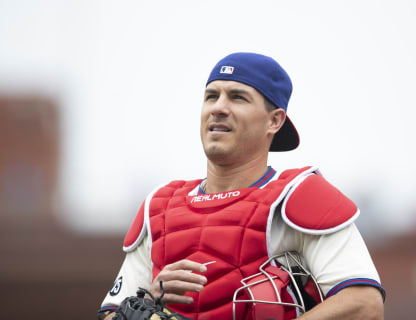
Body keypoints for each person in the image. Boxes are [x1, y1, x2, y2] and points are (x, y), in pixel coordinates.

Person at [98, 52, 385, 320]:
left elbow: (364, 305)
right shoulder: (159, 207)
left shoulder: (298, 195)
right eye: (211, 96)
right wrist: (148, 295)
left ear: (275, 120)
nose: (219, 107)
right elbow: (112, 313)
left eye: (238, 97)